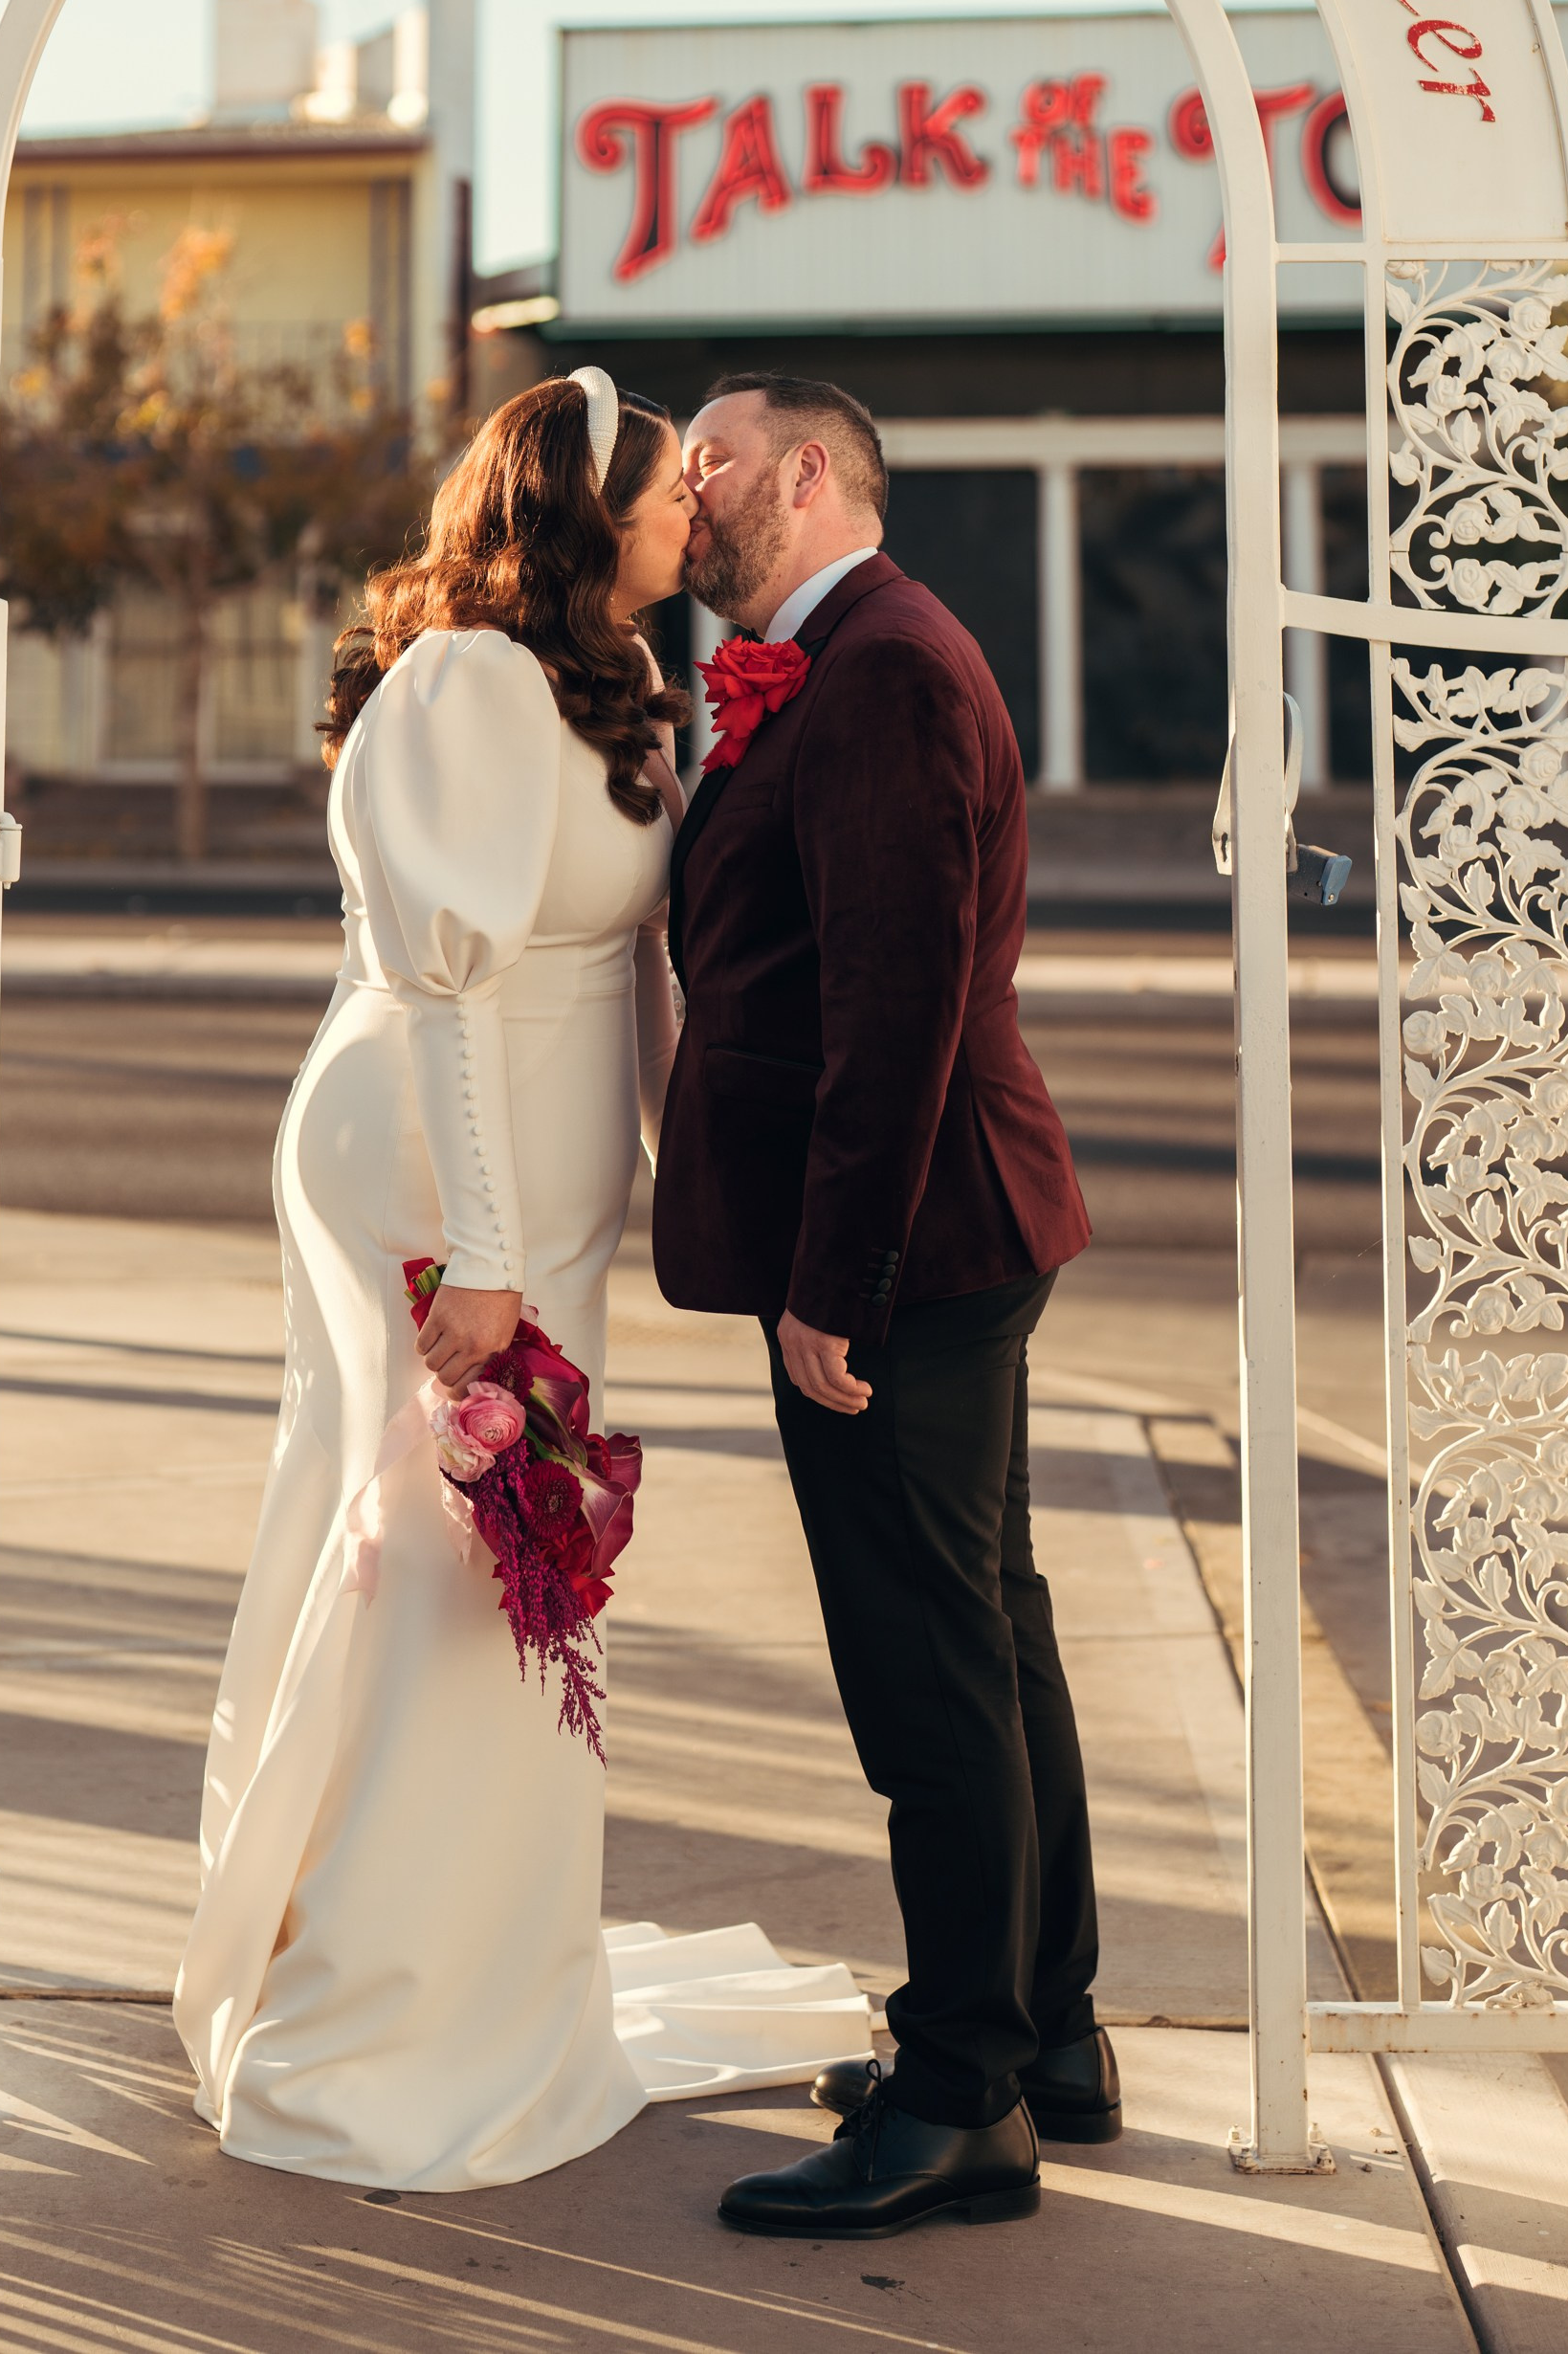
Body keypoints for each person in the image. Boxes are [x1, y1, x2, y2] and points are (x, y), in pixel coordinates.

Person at [174, 369, 867, 2189]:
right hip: (430, 1163)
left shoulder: (611, 676)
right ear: (586, 516)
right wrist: (484, 1256)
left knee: (512, 1565)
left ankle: (494, 1952)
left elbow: (634, 971)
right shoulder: (470, 680)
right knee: (439, 1562)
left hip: (547, 1198)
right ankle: (386, 1996)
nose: (693, 505)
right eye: (664, 488)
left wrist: (674, 1174)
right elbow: (450, 985)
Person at [655, 371, 1106, 2240]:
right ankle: (1041, 2034)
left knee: (928, 1675)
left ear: (812, 470)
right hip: (955, 1231)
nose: (686, 488)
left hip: (907, 1250)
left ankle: (958, 2098)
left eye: (712, 459)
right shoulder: (847, 656)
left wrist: (832, 1282)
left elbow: (896, 1003)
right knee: (987, 1634)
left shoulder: (888, 667)